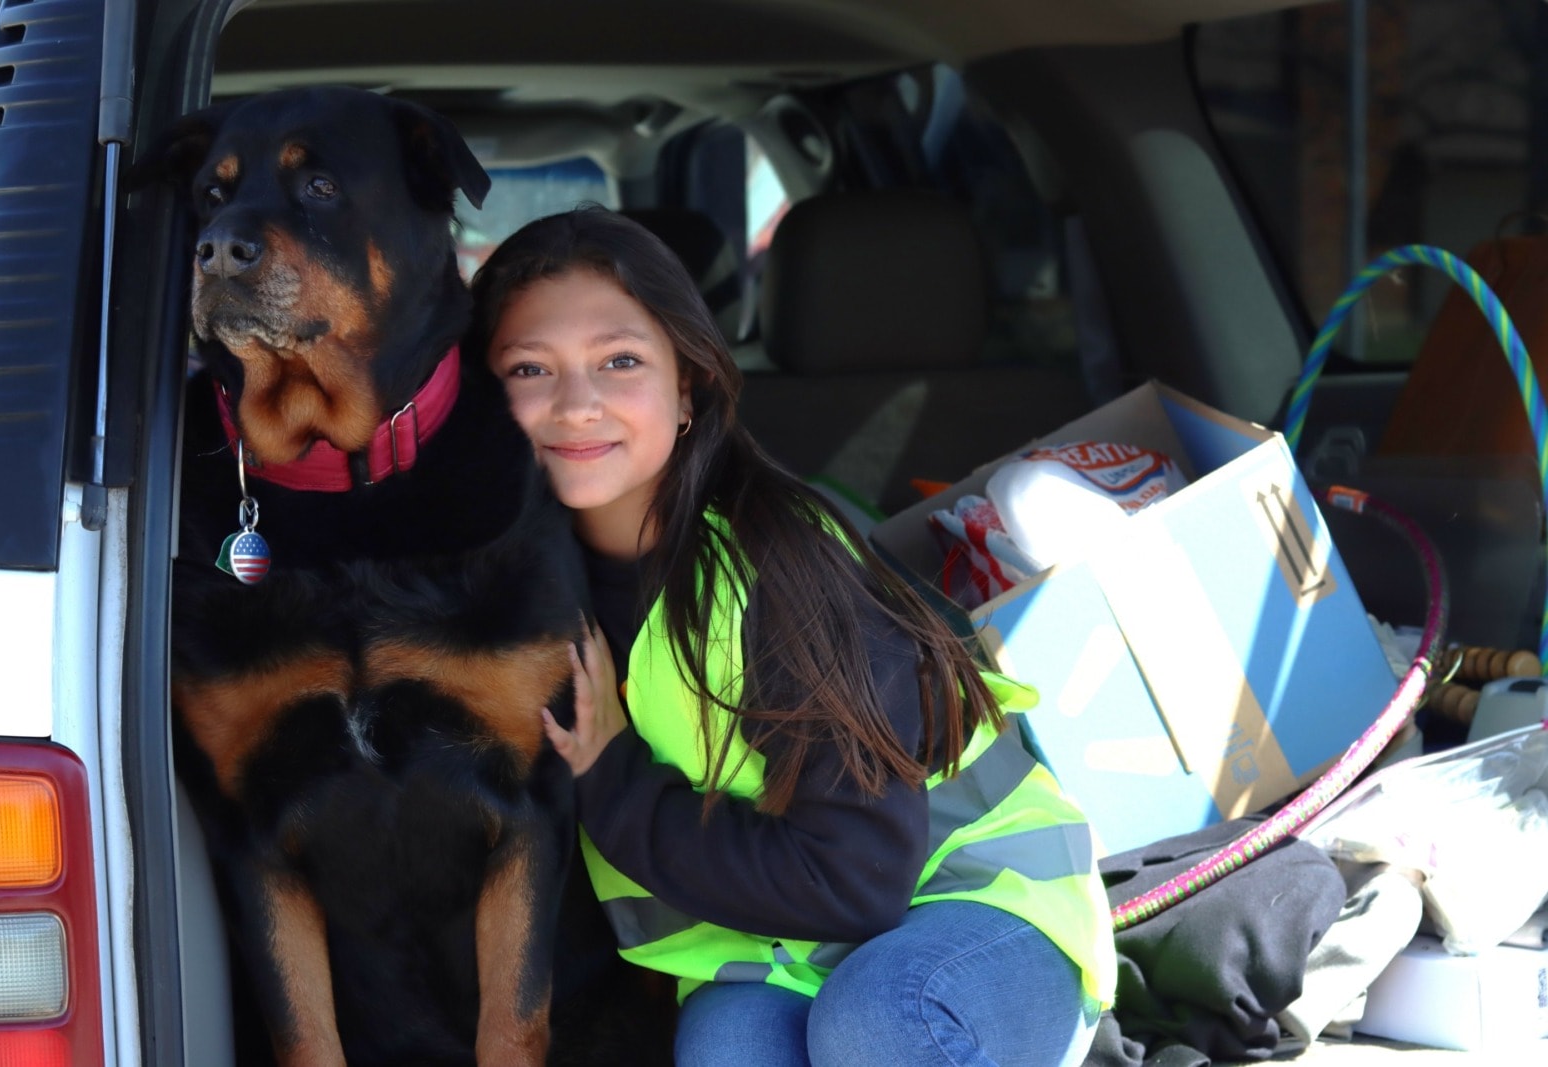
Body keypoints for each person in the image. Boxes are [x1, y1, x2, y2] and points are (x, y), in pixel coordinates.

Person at [472, 206, 1116, 1067]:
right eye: (528, 368)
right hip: (770, 948)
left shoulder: (782, 561)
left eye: (620, 360)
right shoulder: (499, 593)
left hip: (973, 905)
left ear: (688, 383)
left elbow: (857, 877)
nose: (577, 404)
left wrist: (611, 778)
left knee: (882, 1024)